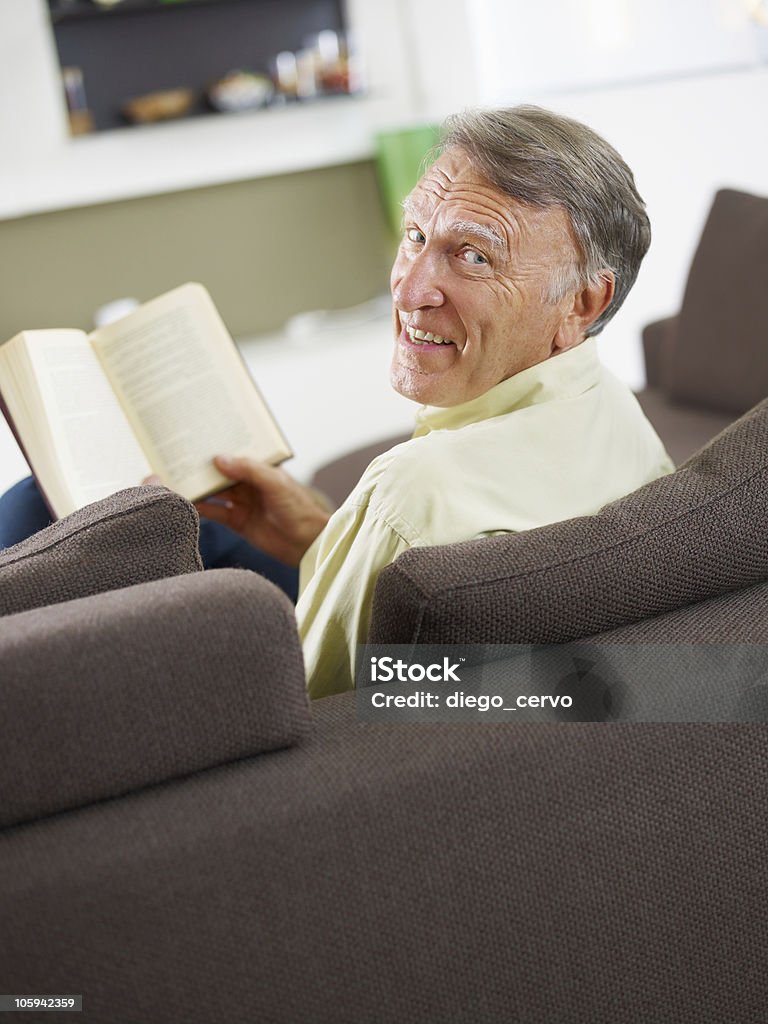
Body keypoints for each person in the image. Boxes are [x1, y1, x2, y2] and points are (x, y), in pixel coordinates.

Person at [0, 105, 674, 699]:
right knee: (176, 510)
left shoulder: (411, 494)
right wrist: (321, 539)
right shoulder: (617, 414)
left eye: (471, 257)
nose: (410, 290)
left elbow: (299, 707)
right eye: (415, 237)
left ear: (584, 303)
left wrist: (176, 596)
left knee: (57, 508)